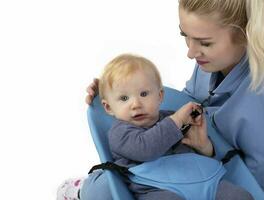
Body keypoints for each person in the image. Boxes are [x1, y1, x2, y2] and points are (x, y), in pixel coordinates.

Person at [64, 0, 264, 199]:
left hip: (243, 191)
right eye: (185, 36)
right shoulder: (207, 68)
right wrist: (115, 92)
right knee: (105, 186)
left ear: (247, 33)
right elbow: (181, 108)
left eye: (205, 43)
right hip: (190, 174)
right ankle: (80, 191)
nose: (190, 52)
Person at [57, 53, 254, 200]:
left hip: (203, 182)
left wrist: (204, 146)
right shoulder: (120, 132)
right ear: (108, 107)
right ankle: (80, 191)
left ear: (160, 96)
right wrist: (177, 121)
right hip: (156, 189)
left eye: (144, 94)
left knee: (239, 196)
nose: (136, 104)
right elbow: (146, 148)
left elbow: (202, 157)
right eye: (124, 98)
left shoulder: (174, 119)